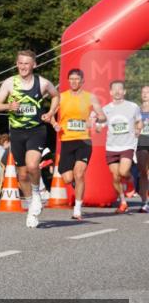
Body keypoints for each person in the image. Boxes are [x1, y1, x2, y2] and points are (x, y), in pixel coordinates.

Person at [0, 50, 59, 228]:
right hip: (17, 132)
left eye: (26, 63)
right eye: (20, 63)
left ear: (34, 65)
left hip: (36, 130)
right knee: (21, 174)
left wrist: (51, 113)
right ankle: (31, 207)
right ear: (17, 64)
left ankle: (37, 193)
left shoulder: (42, 83)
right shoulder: (9, 83)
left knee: (32, 166)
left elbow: (56, 95)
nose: (23, 66)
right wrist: (8, 106)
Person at [52, 68, 106, 221]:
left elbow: (102, 116)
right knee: (68, 178)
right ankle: (78, 186)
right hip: (67, 140)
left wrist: (95, 119)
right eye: (71, 79)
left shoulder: (90, 97)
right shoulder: (61, 97)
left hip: (84, 141)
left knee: (79, 173)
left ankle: (77, 209)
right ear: (68, 81)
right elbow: (50, 114)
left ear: (82, 81)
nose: (74, 82)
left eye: (77, 79)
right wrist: (55, 123)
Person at [97, 80, 143, 214]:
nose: (117, 91)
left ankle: (130, 182)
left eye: (120, 89)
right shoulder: (106, 109)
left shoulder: (133, 106)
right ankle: (123, 202)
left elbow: (139, 122)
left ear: (124, 92)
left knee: (123, 172)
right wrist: (98, 127)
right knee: (115, 177)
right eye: (114, 89)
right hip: (111, 147)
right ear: (110, 92)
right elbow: (101, 125)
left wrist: (138, 129)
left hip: (127, 145)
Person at [138, 85, 149, 213]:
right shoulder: (137, 110)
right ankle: (144, 202)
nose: (145, 94)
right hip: (141, 142)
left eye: (148, 92)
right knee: (142, 172)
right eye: (143, 92)